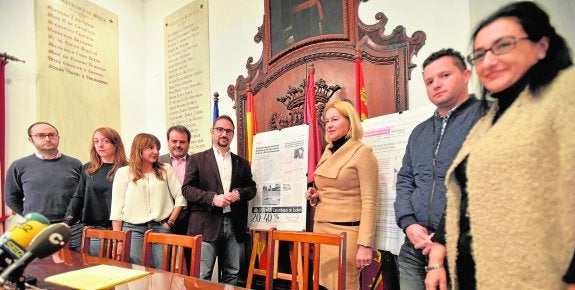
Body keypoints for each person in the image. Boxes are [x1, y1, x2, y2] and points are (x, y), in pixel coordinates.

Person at [424, 2, 575, 289]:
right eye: (480, 55)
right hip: (475, 271)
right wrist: (438, 255)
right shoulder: (491, 120)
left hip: (536, 275)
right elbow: (463, 195)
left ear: (541, 46)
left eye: (503, 45)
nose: (489, 61)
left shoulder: (565, 92)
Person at [393, 48, 484, 290]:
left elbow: (477, 188)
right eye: (429, 81)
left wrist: (442, 238)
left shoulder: (486, 117)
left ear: (466, 75)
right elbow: (405, 181)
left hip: (464, 249)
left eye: (444, 76)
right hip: (414, 246)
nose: (436, 85)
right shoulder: (419, 132)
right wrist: (408, 223)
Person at [305, 100, 378, 290]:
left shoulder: (363, 153)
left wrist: (365, 244)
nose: (329, 125)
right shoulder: (328, 150)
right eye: (327, 121)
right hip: (321, 232)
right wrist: (316, 195)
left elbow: (370, 202)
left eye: (335, 119)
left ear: (350, 121)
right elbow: (335, 188)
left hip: (346, 236)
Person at [181, 115, 256, 285]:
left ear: (233, 134)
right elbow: (187, 189)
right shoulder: (197, 159)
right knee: (202, 275)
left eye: (228, 131)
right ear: (212, 132)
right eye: (220, 130)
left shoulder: (242, 163)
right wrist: (212, 198)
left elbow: (251, 188)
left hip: (234, 224)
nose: (224, 134)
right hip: (206, 224)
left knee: (232, 274)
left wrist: (238, 194)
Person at [110, 133, 186, 267]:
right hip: (132, 229)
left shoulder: (165, 169)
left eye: (157, 148)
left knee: (162, 271)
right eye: (150, 148)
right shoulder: (123, 172)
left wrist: (170, 222)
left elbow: (181, 196)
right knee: (136, 271)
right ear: (139, 149)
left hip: (161, 227)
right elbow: (116, 208)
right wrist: (119, 241)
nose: (156, 151)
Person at [4, 122, 83, 250]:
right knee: (38, 267)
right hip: (36, 228)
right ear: (30, 139)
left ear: (58, 137)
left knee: (75, 264)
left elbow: (82, 195)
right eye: (41, 135)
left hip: (71, 227)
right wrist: (30, 216)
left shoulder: (75, 164)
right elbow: (11, 197)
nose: (47, 139)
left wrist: (72, 218)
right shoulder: (19, 166)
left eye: (51, 135)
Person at [63, 127, 128, 255]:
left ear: (116, 144)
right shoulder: (88, 168)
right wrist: (67, 221)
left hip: (123, 227)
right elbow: (79, 196)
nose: (100, 145)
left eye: (105, 141)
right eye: (96, 141)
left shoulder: (127, 168)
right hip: (95, 228)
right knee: (96, 267)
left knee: (123, 270)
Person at [159, 125, 192, 235]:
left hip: (189, 219)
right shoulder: (157, 162)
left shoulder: (196, 162)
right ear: (168, 142)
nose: (178, 145)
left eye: (182, 142)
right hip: (162, 220)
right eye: (174, 141)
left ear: (188, 143)